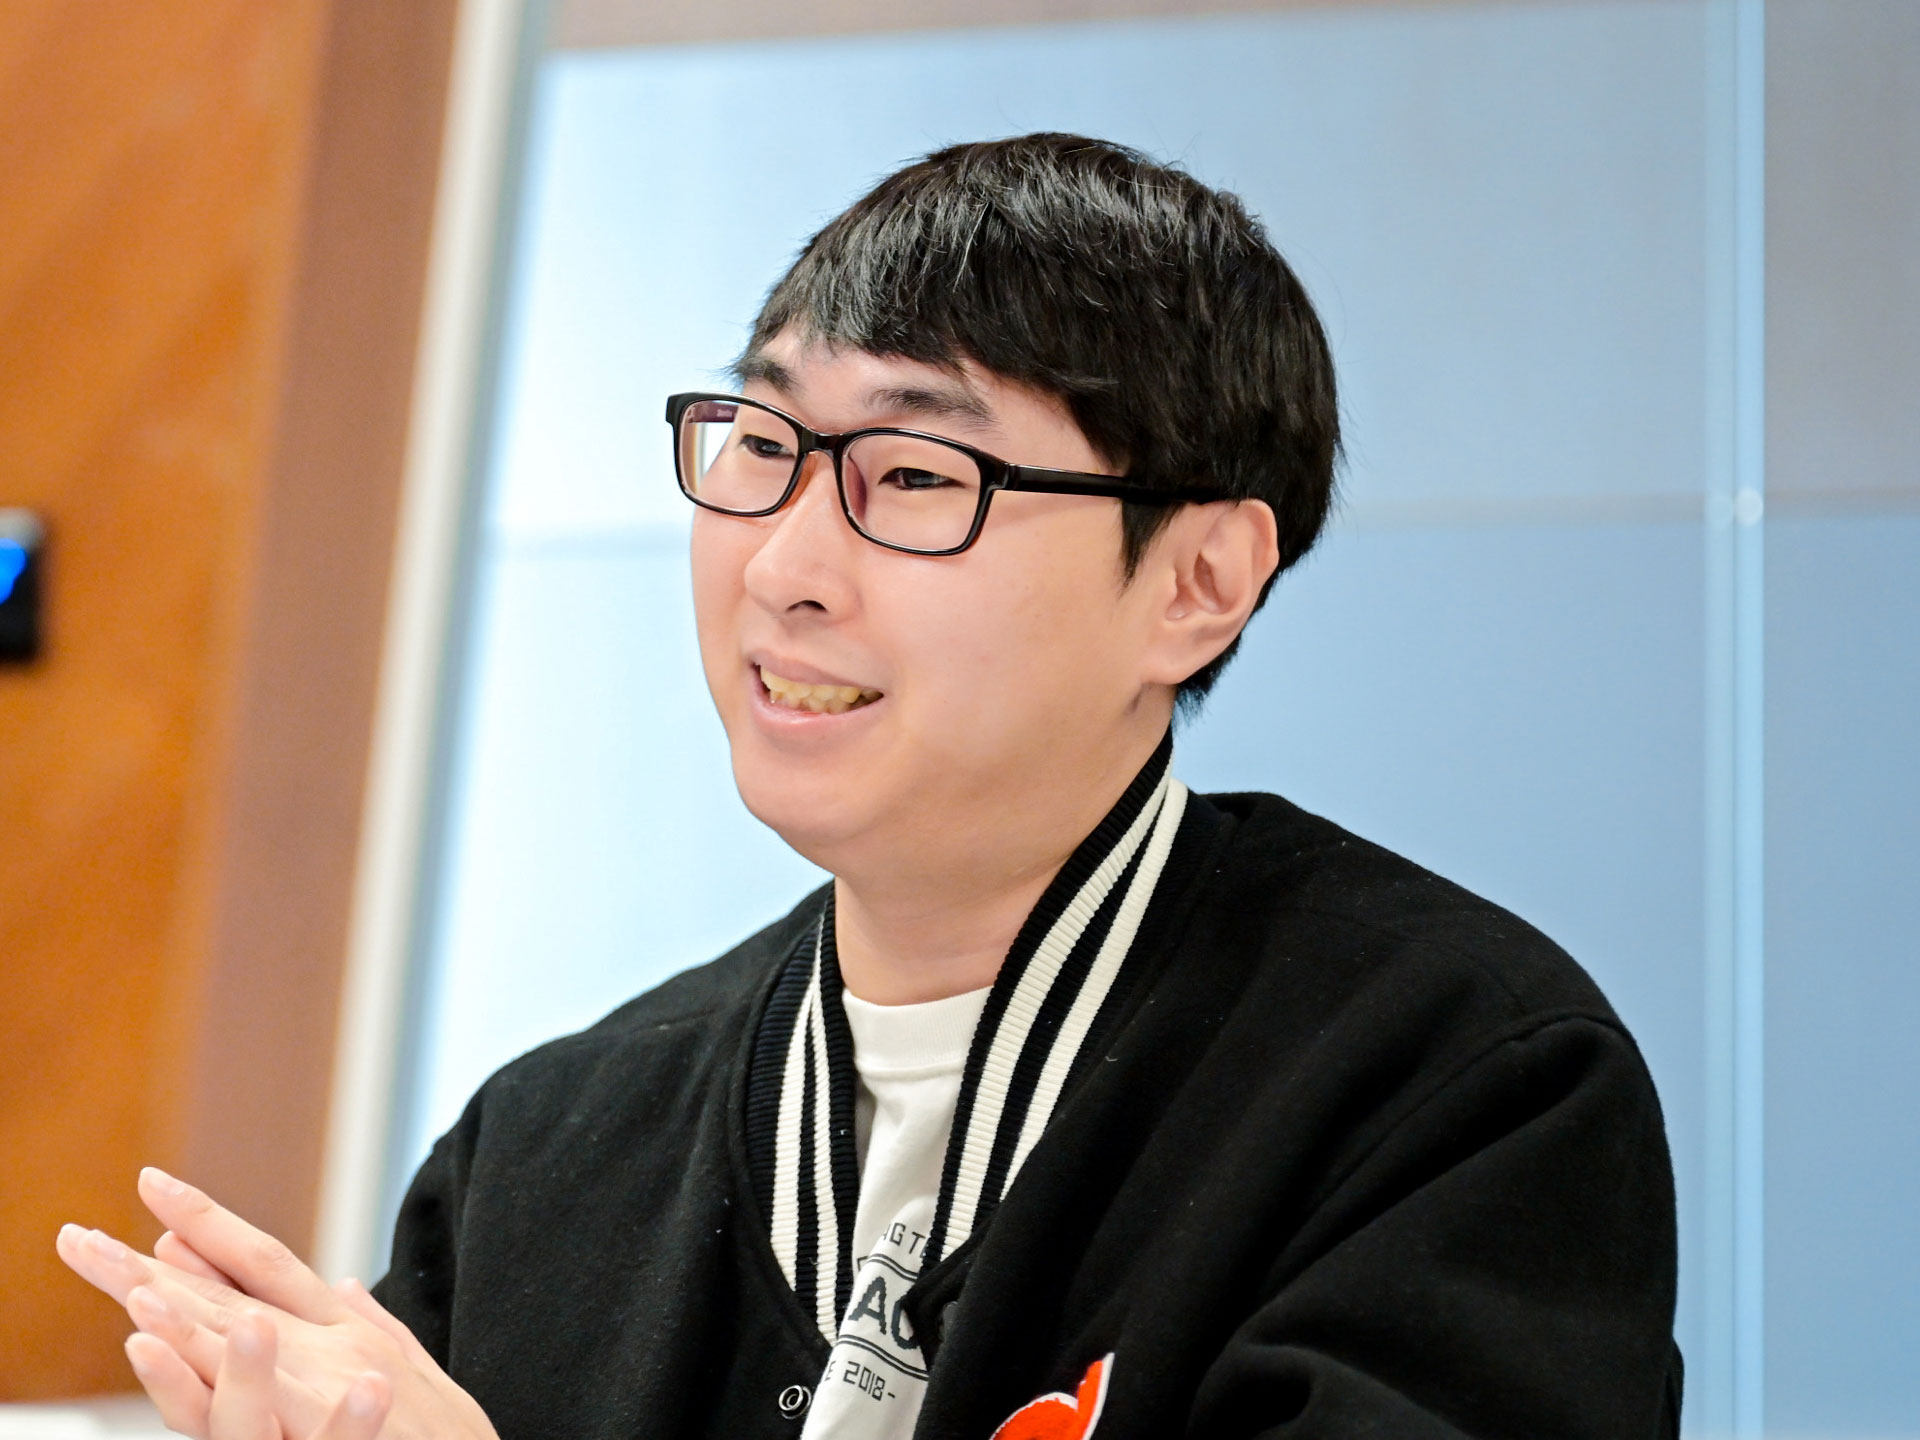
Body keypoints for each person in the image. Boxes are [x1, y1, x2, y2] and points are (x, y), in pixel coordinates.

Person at [60, 132, 1682, 1439]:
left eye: (913, 474)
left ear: (1198, 581)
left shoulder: (1453, 1083)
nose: (785, 565)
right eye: (762, 447)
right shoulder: (546, 1154)